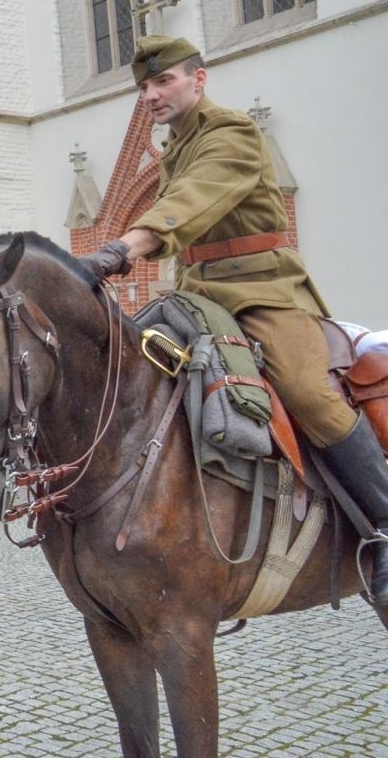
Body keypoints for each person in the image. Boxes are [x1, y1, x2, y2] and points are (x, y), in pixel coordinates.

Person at [81, 35, 388, 600]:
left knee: (307, 392)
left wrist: (120, 249)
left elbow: (191, 202)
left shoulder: (233, 134)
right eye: (144, 86)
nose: (151, 94)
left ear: (198, 80)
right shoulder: (175, 148)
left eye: (163, 80)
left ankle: (386, 523)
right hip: (197, 294)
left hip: (262, 292)